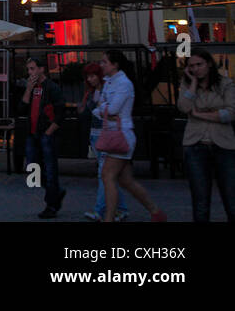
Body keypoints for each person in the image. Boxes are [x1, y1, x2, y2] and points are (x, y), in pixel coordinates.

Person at [96, 49, 166, 222]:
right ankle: (155, 211)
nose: (101, 65)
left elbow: (110, 108)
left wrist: (103, 109)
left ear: (115, 64)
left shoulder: (123, 83)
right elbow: (102, 107)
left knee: (107, 175)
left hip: (121, 134)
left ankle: (109, 218)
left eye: (105, 62)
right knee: (126, 180)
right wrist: (104, 109)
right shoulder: (109, 82)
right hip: (115, 133)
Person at [177, 48, 235, 222]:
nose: (196, 69)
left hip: (223, 144)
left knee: (231, 198)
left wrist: (200, 114)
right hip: (195, 145)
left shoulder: (225, 84)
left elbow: (231, 113)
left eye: (199, 65)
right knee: (200, 199)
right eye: (191, 66)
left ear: (209, 64)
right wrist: (193, 83)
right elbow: (184, 107)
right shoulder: (187, 85)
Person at [79, 61, 127, 222]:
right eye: (88, 76)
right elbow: (89, 111)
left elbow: (108, 111)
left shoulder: (108, 88)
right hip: (95, 134)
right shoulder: (91, 92)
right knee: (109, 175)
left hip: (106, 134)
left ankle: (100, 210)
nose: (90, 79)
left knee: (104, 174)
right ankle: (121, 209)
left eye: (92, 76)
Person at [20, 55, 66, 218]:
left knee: (50, 168)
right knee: (33, 169)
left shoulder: (51, 87)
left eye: (33, 69)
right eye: (28, 69)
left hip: (46, 133)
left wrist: (49, 131)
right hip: (32, 134)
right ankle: (56, 192)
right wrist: (28, 89)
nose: (30, 72)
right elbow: (21, 108)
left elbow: (61, 111)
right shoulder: (32, 88)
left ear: (41, 69)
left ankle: (51, 204)